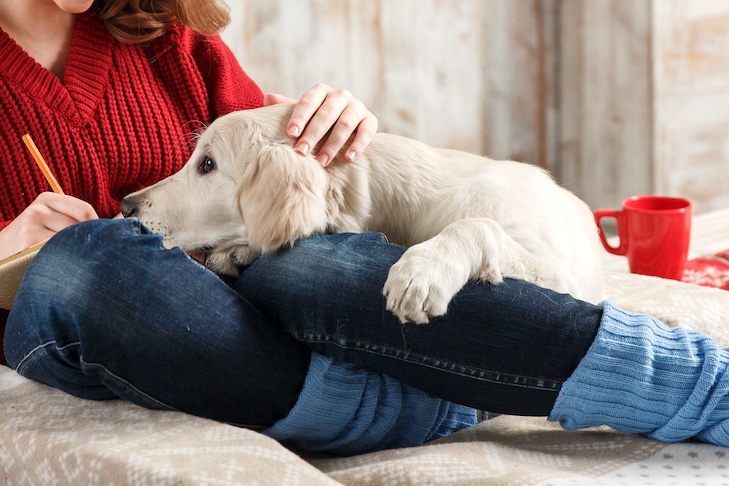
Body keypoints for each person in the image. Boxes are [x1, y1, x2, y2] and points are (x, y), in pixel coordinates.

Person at [4, 0, 729, 457]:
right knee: (85, 261)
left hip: (228, 305)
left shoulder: (167, 36)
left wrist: (341, 126)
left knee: (300, 260)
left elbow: (282, 184)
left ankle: (702, 385)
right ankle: (418, 396)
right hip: (75, 315)